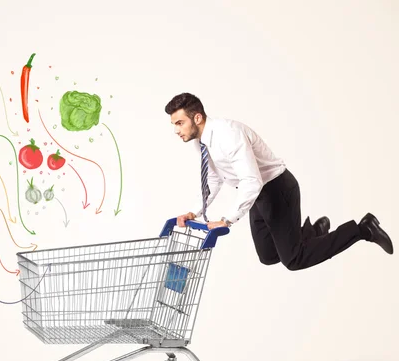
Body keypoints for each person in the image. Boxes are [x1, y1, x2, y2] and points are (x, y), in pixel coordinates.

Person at [166, 93, 394, 271]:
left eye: (179, 123)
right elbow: (213, 178)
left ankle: (363, 229)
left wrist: (227, 219)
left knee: (294, 259)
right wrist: (195, 212)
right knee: (267, 256)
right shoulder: (201, 142)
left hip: (276, 189)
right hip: (257, 196)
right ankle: (311, 233)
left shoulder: (228, 134)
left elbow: (251, 180)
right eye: (174, 124)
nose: (176, 130)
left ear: (197, 117)